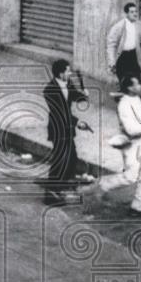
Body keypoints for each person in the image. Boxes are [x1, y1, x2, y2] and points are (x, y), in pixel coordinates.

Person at [79, 76, 141, 217]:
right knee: (130, 176)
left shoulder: (136, 100)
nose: (140, 85)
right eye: (137, 83)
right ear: (129, 87)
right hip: (131, 144)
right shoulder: (123, 105)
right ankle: (104, 184)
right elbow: (131, 129)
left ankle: (138, 207)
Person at [42, 59, 90, 205]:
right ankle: (50, 193)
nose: (70, 73)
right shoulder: (49, 90)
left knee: (72, 157)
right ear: (60, 73)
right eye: (68, 71)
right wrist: (78, 122)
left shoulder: (68, 83)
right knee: (60, 159)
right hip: (58, 128)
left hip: (67, 128)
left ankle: (62, 185)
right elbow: (61, 112)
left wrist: (84, 94)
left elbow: (77, 97)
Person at [106, 2, 141, 88]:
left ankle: (132, 95)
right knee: (123, 80)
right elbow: (111, 44)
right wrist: (112, 61)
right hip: (122, 56)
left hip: (134, 55)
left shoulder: (139, 25)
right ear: (126, 13)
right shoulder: (119, 26)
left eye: (136, 11)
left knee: (136, 77)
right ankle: (122, 96)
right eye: (132, 12)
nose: (135, 14)